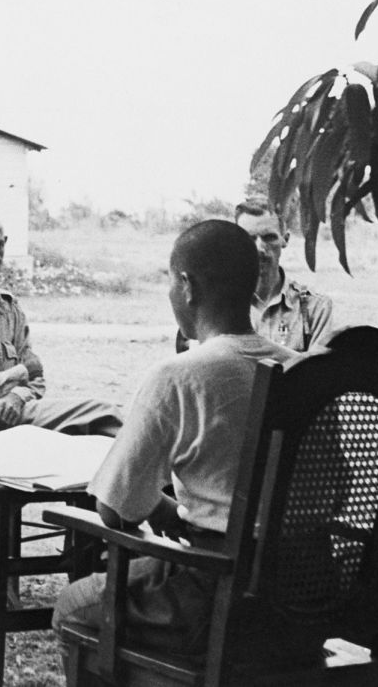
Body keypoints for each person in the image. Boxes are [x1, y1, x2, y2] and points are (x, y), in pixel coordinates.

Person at [52, 220, 298, 657]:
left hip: (217, 596)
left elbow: (114, 508)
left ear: (186, 286)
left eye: (169, 281)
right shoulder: (302, 371)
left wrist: (166, 510)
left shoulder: (179, 376)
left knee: (73, 605)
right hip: (304, 600)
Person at [0, 204, 123, 439]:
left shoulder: (9, 307)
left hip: (11, 415)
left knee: (99, 430)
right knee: (103, 414)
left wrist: (17, 396)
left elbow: (37, 380)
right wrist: (22, 372)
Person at [234, 197, 333, 351]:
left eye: (269, 238)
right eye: (249, 238)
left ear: (285, 239)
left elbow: (320, 372)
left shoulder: (314, 308)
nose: (260, 248)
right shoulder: (219, 306)